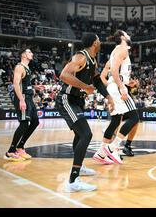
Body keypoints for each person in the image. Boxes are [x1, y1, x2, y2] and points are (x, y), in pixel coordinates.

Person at [56, 33, 114, 192]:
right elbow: (64, 75)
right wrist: (84, 87)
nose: (100, 41)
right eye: (99, 40)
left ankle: (78, 168)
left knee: (79, 135)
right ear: (95, 42)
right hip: (67, 99)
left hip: (77, 101)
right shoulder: (80, 57)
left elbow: (97, 82)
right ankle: (73, 181)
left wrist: (109, 97)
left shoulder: (92, 60)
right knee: (86, 134)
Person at [93, 30, 141, 165]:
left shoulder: (117, 50)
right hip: (116, 87)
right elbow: (113, 70)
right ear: (122, 37)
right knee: (134, 117)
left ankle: (101, 152)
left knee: (115, 121)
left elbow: (116, 72)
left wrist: (125, 82)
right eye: (127, 35)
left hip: (114, 86)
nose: (129, 36)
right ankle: (113, 147)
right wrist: (121, 86)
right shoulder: (122, 49)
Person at [4, 49, 39, 161]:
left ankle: (20, 147)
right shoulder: (19, 67)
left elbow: (24, 84)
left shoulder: (27, 68)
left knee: (35, 122)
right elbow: (15, 84)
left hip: (29, 98)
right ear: (23, 55)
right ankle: (10, 151)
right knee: (24, 124)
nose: (32, 53)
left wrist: (34, 88)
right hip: (23, 98)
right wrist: (21, 100)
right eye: (29, 52)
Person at [99, 60, 139, 157]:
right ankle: (113, 148)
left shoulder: (115, 62)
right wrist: (111, 84)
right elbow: (104, 77)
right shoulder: (117, 59)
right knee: (131, 118)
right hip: (118, 91)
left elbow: (104, 77)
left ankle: (107, 150)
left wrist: (129, 83)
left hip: (116, 90)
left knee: (117, 120)